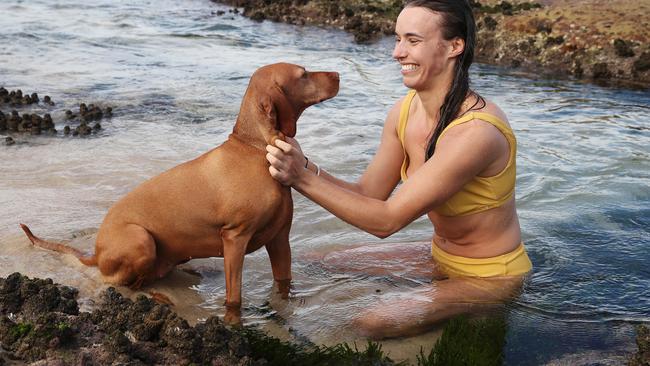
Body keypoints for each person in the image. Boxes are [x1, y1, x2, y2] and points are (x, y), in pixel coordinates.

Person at [265, 0, 532, 339]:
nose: (397, 53)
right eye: (397, 39)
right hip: (438, 254)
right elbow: (368, 194)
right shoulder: (405, 111)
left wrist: (299, 177)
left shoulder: (475, 133)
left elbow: (386, 221)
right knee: (317, 260)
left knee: (371, 321)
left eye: (412, 40)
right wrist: (303, 164)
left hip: (492, 274)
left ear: (454, 46)